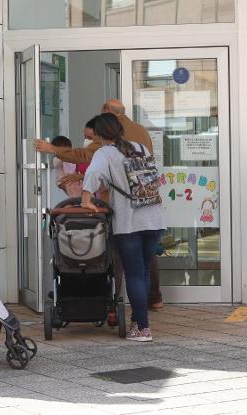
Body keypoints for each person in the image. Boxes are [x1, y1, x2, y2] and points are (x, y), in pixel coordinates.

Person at [81, 113, 165, 342]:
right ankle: (138, 321)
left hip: (129, 221)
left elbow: (93, 174)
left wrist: (86, 200)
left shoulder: (105, 153)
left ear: (98, 135)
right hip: (154, 217)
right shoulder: (140, 147)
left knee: (134, 274)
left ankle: (143, 329)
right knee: (144, 272)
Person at [102, 99, 164, 310]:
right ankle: (154, 298)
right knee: (146, 264)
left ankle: (116, 304)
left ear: (107, 113)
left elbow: (91, 167)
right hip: (150, 207)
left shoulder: (108, 144)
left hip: (127, 212)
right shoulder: (142, 134)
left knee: (126, 263)